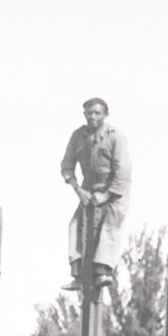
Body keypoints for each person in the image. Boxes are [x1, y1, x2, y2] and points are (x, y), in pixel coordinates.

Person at [58, 97, 131, 291]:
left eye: (97, 113)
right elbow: (66, 166)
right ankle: (79, 274)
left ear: (105, 115)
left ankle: (103, 271)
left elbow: (123, 172)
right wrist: (78, 189)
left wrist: (106, 196)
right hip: (89, 190)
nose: (93, 117)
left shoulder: (115, 137)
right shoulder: (78, 136)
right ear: (84, 115)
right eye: (89, 113)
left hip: (115, 192)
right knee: (76, 226)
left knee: (108, 227)